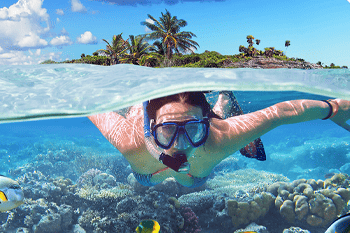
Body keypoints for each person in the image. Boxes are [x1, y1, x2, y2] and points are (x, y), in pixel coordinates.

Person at [88, 91, 350, 188]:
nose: (181, 145)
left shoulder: (219, 136)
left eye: (194, 130)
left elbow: (281, 113)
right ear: (152, 128)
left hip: (195, 177)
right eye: (168, 130)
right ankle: (142, 104)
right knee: (138, 108)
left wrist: (333, 109)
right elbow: (89, 104)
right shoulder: (130, 141)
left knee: (219, 118)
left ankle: (221, 100)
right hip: (148, 177)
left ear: (205, 126)